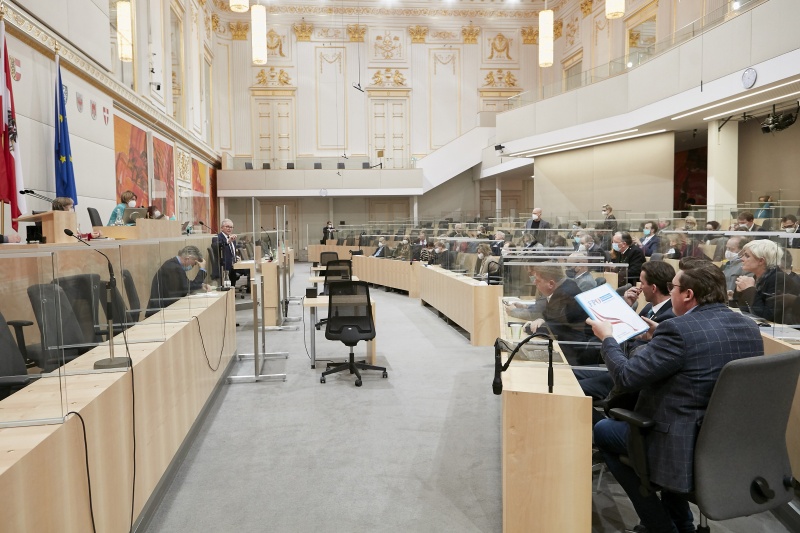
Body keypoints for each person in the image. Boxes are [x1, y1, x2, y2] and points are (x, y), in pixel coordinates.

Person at [589, 264, 763, 533]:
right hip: (724, 441)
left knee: (603, 431)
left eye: (673, 288)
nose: (669, 293)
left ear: (688, 295)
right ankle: (682, 523)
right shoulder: (748, 327)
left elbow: (625, 377)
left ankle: (661, 527)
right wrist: (660, 335)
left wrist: (607, 339)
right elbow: (701, 352)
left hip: (677, 442)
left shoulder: (678, 330)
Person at [522, 263, 599, 366]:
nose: (534, 282)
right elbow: (551, 320)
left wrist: (528, 327)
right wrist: (542, 320)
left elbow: (555, 329)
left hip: (575, 355)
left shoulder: (565, 294)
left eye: (538, 280)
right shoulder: (565, 286)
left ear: (551, 284)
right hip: (569, 345)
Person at [734, 239, 799, 323]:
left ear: (761, 261)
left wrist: (749, 290)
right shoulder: (755, 277)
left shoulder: (778, 279)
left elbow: (766, 316)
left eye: (747, 256)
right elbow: (744, 311)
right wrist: (739, 294)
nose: (742, 259)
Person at [146, 245, 208, 317]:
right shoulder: (174, 267)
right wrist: (202, 269)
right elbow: (186, 288)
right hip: (158, 314)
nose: (193, 266)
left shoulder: (173, 264)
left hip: (165, 308)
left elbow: (183, 285)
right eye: (194, 264)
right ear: (187, 259)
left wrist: (201, 285)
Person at [217, 219, 249, 290]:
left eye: (231, 227)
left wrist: (236, 257)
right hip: (225, 266)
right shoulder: (218, 237)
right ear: (222, 227)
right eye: (227, 227)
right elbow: (218, 245)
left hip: (233, 265)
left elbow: (232, 251)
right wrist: (228, 241)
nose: (229, 229)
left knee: (248, 269)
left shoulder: (232, 238)